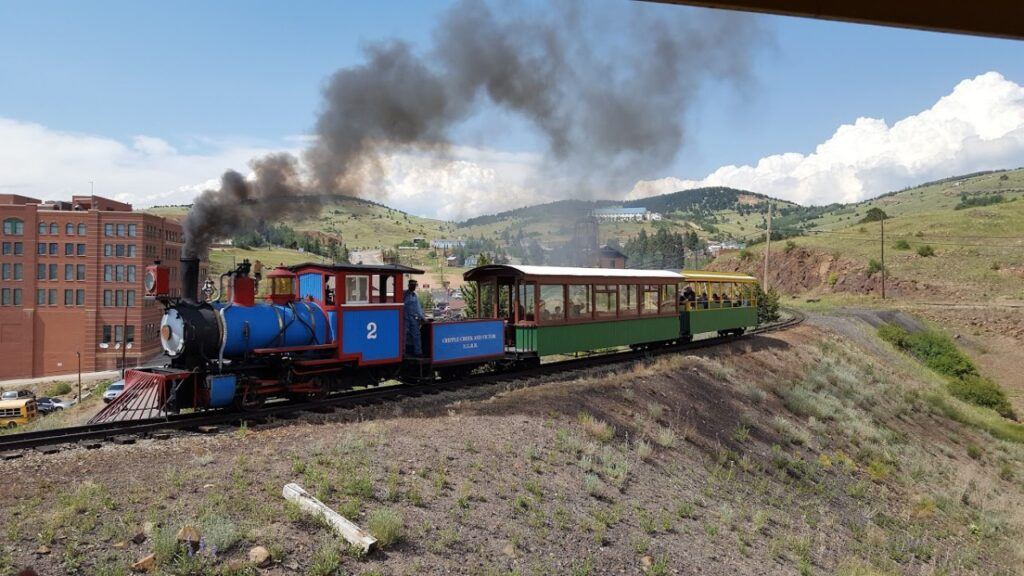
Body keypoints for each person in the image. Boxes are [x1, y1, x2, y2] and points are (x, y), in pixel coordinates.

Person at [404, 278, 426, 356]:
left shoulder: (415, 295)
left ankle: (418, 352)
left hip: (413, 318)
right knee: (404, 334)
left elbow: (418, 308)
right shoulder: (404, 294)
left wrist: (422, 317)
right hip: (405, 318)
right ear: (409, 285)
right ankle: (403, 352)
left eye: (415, 285)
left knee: (416, 334)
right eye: (412, 285)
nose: (414, 287)